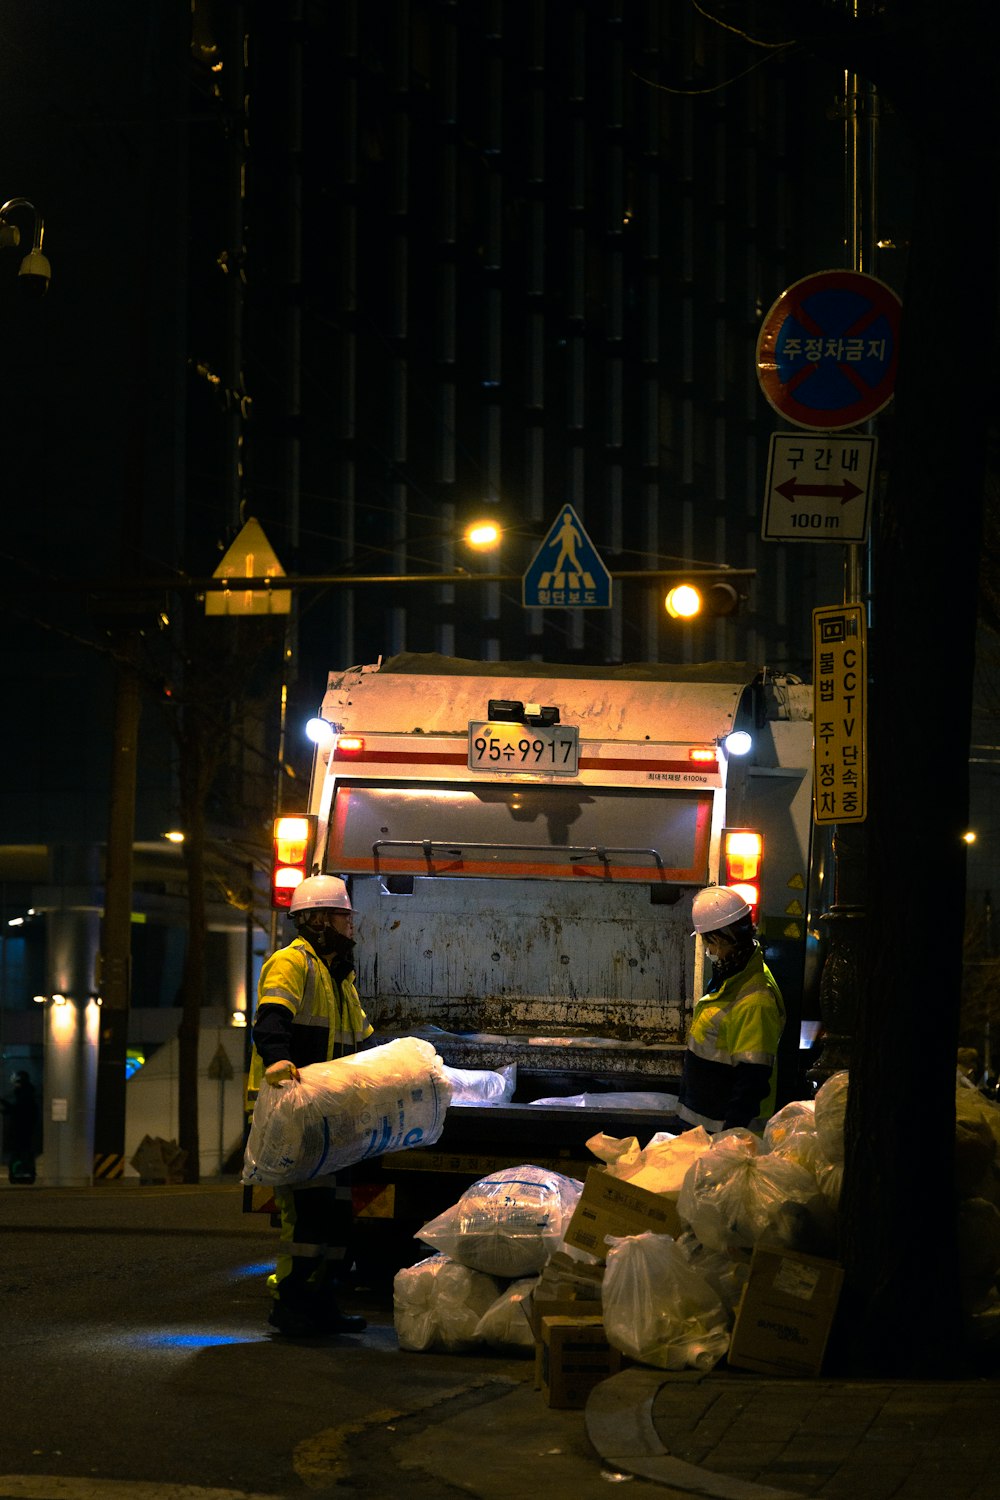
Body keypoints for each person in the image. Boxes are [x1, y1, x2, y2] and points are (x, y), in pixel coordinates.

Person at [249, 874, 373, 1337]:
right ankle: (292, 1306)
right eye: (343, 916)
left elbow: (364, 1044)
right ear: (320, 919)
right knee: (305, 1219)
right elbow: (270, 1023)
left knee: (335, 1216)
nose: (350, 925)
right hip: (295, 1113)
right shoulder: (292, 963)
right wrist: (280, 1063)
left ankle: (321, 1303)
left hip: (330, 1114)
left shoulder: (340, 977)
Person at [674, 886, 785, 1134]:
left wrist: (731, 1138)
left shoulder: (754, 1001)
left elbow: (752, 1080)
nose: (708, 951)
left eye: (707, 943)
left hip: (721, 1135)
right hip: (703, 1128)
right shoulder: (732, 978)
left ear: (721, 940)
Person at [1, 1071, 39, 1184]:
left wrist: (5, 1108)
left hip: (20, 1131)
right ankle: (25, 1173)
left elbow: (18, 1111)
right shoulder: (28, 1095)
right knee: (25, 1152)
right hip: (26, 1130)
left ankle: (18, 1174)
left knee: (18, 1153)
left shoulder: (23, 1095)